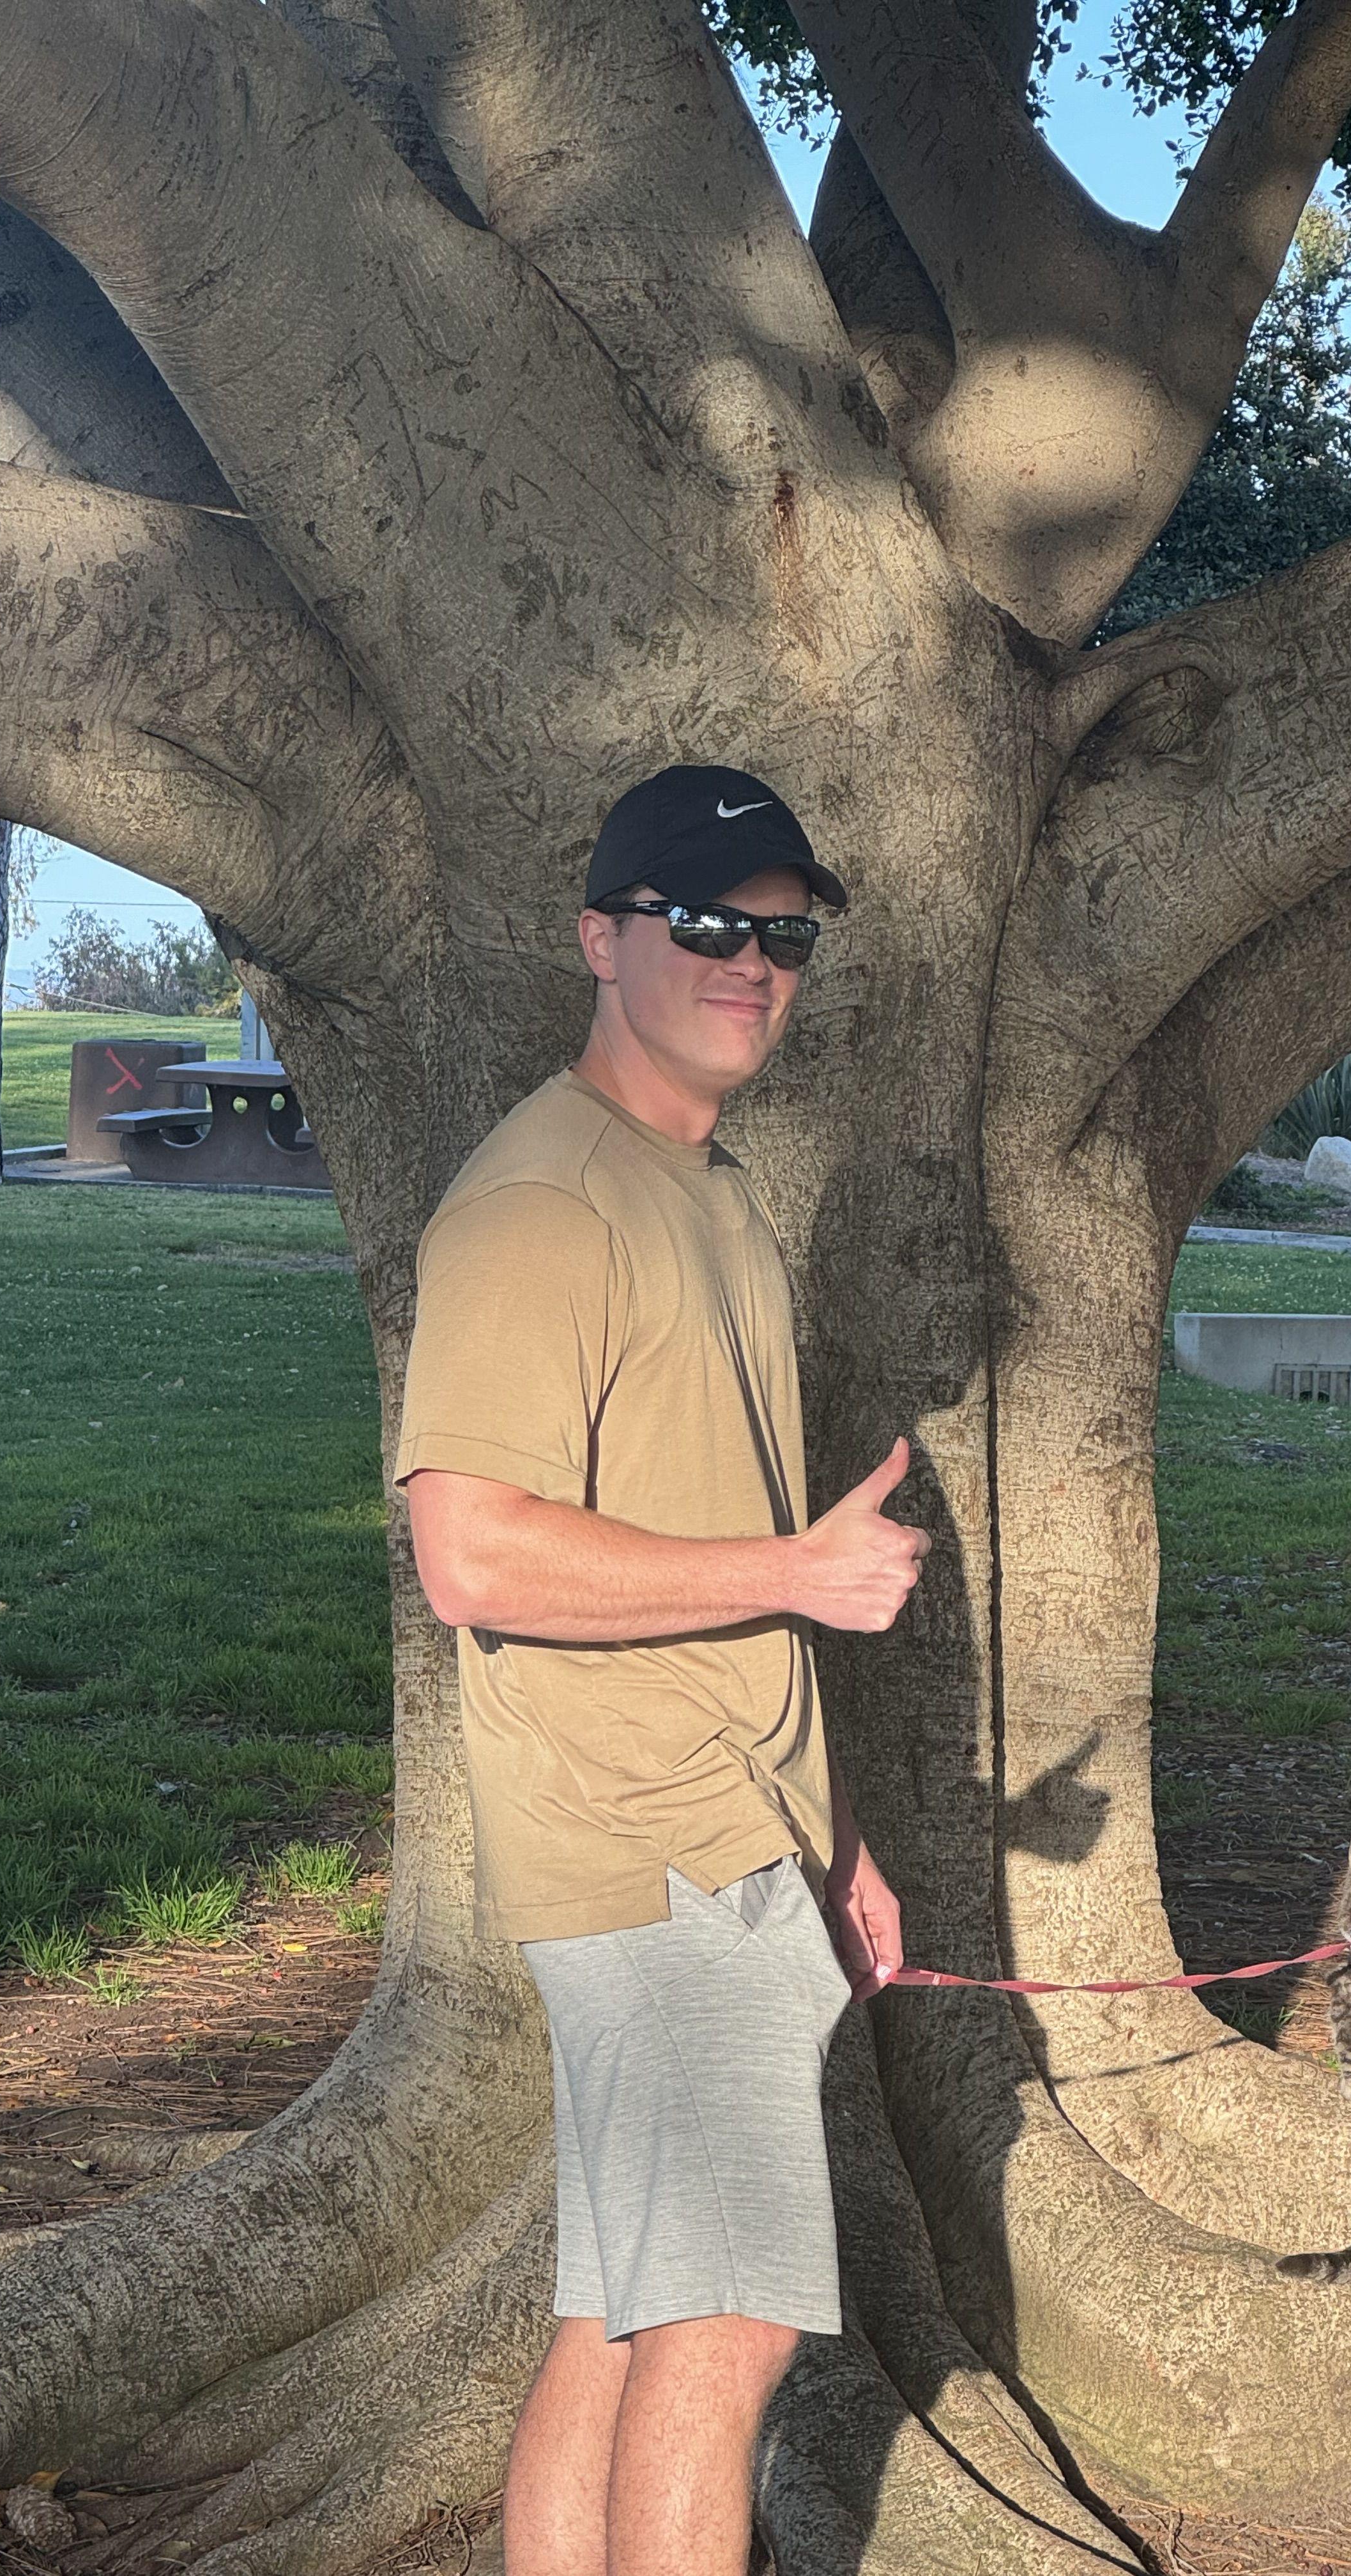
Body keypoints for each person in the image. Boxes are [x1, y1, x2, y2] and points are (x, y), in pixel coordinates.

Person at [394, 765, 927, 2576]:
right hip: (652, 1860)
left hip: (734, 1849)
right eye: (705, 921)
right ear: (601, 940)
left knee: (623, 2321)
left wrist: (834, 1844)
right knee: (726, 2333)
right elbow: (472, 1553)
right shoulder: (544, 1205)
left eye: (781, 933)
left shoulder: (703, 1188)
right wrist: (798, 1574)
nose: (750, 961)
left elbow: (737, 1561)